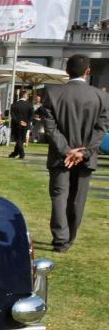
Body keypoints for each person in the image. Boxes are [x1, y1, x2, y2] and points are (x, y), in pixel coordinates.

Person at [41, 54, 109, 253]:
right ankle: (69, 237)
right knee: (77, 198)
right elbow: (101, 129)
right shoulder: (101, 97)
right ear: (88, 71)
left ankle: (61, 239)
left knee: (59, 196)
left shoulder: (52, 93)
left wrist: (66, 150)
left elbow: (50, 128)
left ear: (66, 71)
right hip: (84, 156)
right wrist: (84, 152)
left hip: (60, 155)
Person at [8, 89, 33, 159]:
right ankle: (16, 153)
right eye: (27, 95)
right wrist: (26, 122)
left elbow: (12, 115)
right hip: (25, 125)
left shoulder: (14, 105)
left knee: (18, 139)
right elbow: (31, 116)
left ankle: (20, 154)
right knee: (21, 139)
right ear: (25, 96)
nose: (28, 96)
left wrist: (19, 122)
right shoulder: (29, 105)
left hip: (16, 124)